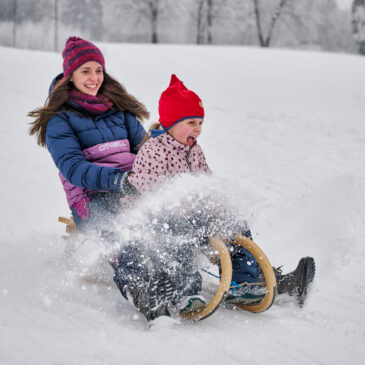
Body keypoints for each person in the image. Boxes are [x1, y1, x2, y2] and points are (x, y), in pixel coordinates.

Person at [111, 74, 316, 321]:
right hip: (155, 219)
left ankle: (242, 282)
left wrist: (218, 203)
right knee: (178, 233)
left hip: (190, 214)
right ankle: (186, 293)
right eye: (191, 122)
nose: (198, 129)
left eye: (200, 123)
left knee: (234, 223)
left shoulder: (194, 150)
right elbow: (146, 191)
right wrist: (178, 210)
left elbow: (205, 180)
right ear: (170, 123)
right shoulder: (154, 151)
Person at [28, 36, 149, 234]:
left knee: (171, 228)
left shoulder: (119, 109)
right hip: (91, 199)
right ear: (70, 76)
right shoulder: (59, 119)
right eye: (85, 71)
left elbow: (146, 151)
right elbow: (74, 169)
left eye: (98, 70)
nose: (94, 78)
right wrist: (119, 180)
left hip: (132, 190)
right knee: (125, 240)